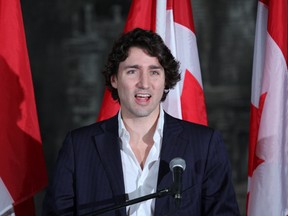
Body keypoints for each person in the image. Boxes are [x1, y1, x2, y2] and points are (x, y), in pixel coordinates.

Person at [42, 28, 240, 216]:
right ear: (114, 79)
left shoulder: (204, 144)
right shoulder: (78, 147)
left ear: (165, 81)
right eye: (132, 71)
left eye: (154, 72)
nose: (144, 83)